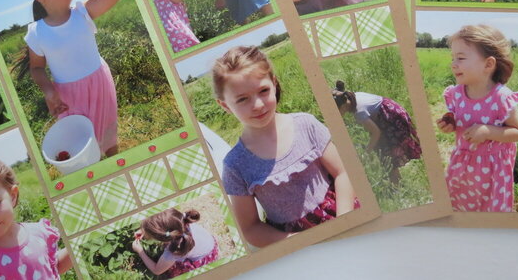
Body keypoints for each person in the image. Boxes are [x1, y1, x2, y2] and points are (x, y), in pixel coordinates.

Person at [212, 46, 357, 247]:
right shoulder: (235, 165)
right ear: (226, 105)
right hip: (295, 242)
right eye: (242, 99)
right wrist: (301, 242)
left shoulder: (306, 125)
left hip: (343, 214)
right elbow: (251, 228)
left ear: (273, 83)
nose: (258, 105)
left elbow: (342, 172)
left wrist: (344, 221)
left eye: (263, 91)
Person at [13, 0, 124, 156]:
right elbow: (36, 68)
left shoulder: (82, 13)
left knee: (109, 141)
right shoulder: (36, 32)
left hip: (100, 83)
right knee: (79, 146)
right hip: (67, 95)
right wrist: (48, 91)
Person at [435, 25, 518, 212]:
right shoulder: (457, 93)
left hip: (492, 171)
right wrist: (450, 121)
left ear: (488, 64)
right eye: (453, 58)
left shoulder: (501, 97)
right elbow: (458, 117)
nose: (453, 63)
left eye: (460, 58)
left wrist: (488, 131)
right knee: (457, 207)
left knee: (489, 212)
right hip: (462, 165)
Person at [332, 81, 422, 184]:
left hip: (391, 120)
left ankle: (397, 185)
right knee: (384, 152)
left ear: (342, 106)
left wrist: (367, 152)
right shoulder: (353, 96)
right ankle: (396, 182)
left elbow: (376, 133)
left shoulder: (359, 112)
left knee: (388, 156)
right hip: (392, 111)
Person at [131, 208, 218, 277]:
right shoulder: (179, 221)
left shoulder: (174, 251)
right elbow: (159, 221)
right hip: (209, 244)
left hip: (204, 258)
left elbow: (156, 270)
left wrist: (140, 251)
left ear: (162, 239)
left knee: (174, 271)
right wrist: (144, 229)